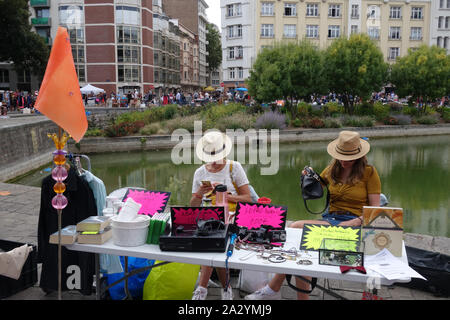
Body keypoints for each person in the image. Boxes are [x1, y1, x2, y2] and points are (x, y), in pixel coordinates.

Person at [245, 130, 381, 300]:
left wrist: (356, 222)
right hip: (331, 220)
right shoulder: (333, 169)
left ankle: (273, 288)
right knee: (296, 236)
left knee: (299, 239)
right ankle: (275, 289)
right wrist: (308, 177)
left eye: (349, 158)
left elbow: (375, 210)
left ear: (359, 156)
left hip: (354, 223)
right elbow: (317, 187)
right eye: (341, 156)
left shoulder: (369, 172)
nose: (344, 161)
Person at [190, 131, 252, 300]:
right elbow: (193, 207)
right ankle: (225, 287)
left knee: (215, 239)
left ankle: (203, 288)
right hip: (207, 218)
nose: (215, 160)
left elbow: (248, 198)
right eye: (211, 156)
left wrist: (224, 194)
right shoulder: (200, 173)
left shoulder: (234, 167)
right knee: (212, 235)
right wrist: (199, 194)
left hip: (231, 216)